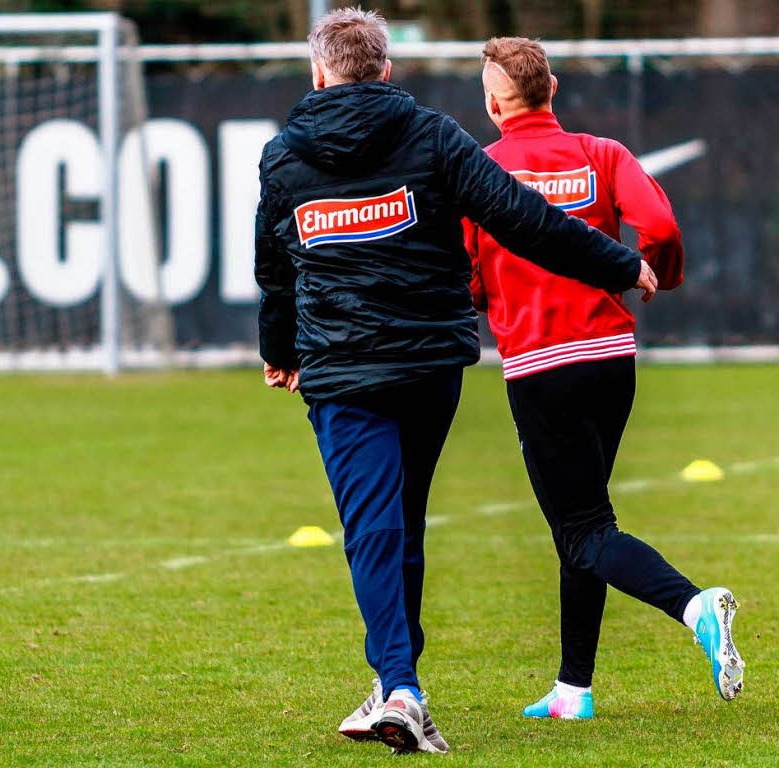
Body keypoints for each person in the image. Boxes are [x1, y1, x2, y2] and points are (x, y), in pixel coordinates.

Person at [255, 9, 658, 753]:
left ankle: (401, 687)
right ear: (385, 69)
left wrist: (278, 349)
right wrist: (616, 262)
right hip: (429, 365)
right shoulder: (435, 136)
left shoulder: (284, 156)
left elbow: (274, 269)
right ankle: (393, 681)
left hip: (343, 369)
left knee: (374, 527)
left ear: (318, 73)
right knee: (398, 517)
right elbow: (522, 219)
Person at [464, 37, 745, 720]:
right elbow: (661, 224)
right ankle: (572, 690)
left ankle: (693, 606)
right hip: (612, 358)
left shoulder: (482, 168)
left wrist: (486, 294)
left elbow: (466, 267)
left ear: (494, 102)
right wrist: (660, 274)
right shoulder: (604, 153)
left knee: (584, 527)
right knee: (584, 518)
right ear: (552, 88)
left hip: (540, 365)